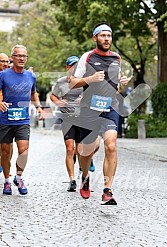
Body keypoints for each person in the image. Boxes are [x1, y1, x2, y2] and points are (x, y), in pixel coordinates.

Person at [69, 23, 129, 204]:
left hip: (110, 108)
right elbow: (72, 82)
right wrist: (90, 79)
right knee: (87, 150)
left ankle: (107, 189)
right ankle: (85, 178)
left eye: (109, 36)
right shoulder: (87, 57)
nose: (106, 39)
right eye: (102, 36)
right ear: (95, 38)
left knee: (111, 146)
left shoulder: (117, 58)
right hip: (89, 109)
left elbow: (115, 85)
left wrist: (122, 83)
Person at [0, 44, 43, 195]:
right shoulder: (3, 75)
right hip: (5, 119)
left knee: (24, 151)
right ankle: (6, 181)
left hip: (23, 120)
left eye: (24, 56)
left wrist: (38, 107)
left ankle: (18, 177)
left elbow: (33, 93)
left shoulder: (31, 76)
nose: (21, 58)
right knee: (5, 153)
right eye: (18, 55)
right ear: (12, 58)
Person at [50, 56, 97, 192]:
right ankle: (72, 180)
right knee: (70, 149)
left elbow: (95, 96)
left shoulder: (85, 82)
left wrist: (85, 98)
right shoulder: (61, 82)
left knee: (81, 151)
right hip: (68, 119)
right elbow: (53, 95)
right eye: (72, 66)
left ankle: (84, 177)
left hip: (83, 119)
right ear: (67, 68)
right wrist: (58, 102)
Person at [0, 53, 13, 174]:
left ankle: (6, 169)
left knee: (8, 144)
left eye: (6, 61)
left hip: (7, 114)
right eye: (2, 61)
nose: (5, 64)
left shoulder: (9, 75)